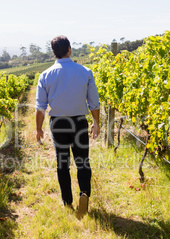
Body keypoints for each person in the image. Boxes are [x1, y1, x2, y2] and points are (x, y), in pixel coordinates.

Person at [35, 35, 100, 219]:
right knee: (82, 161)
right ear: (69, 49)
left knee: (62, 163)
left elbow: (40, 107)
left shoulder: (45, 75)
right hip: (79, 121)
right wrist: (96, 123)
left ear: (54, 53)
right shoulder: (85, 71)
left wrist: (38, 129)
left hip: (58, 123)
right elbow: (94, 103)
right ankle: (84, 196)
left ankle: (67, 201)